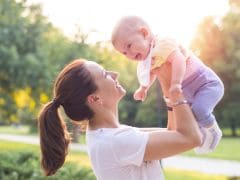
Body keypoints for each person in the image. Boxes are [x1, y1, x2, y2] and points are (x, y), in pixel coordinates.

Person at [38, 59, 201, 179]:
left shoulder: (112, 135)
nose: (114, 74)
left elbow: (172, 133)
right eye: (105, 74)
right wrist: (175, 88)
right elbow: (191, 138)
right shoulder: (115, 141)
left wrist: (166, 83)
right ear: (94, 99)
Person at [111, 15, 224, 154]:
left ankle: (213, 130)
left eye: (129, 46)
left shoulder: (163, 44)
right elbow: (152, 73)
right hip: (190, 92)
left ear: (144, 33)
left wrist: (175, 83)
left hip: (205, 84)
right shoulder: (148, 58)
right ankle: (202, 135)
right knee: (191, 115)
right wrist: (144, 87)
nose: (129, 54)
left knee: (199, 109)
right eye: (124, 52)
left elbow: (179, 60)